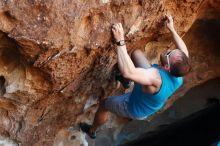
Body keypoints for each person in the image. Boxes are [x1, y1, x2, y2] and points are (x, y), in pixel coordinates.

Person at [79, 15, 191, 139]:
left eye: (169, 53)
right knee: (136, 54)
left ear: (166, 67)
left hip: (134, 107)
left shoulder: (155, 77)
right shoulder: (180, 69)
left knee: (104, 104)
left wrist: (120, 40)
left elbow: (129, 72)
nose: (168, 50)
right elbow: (184, 50)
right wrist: (172, 28)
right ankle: (126, 83)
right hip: (147, 98)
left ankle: (92, 130)